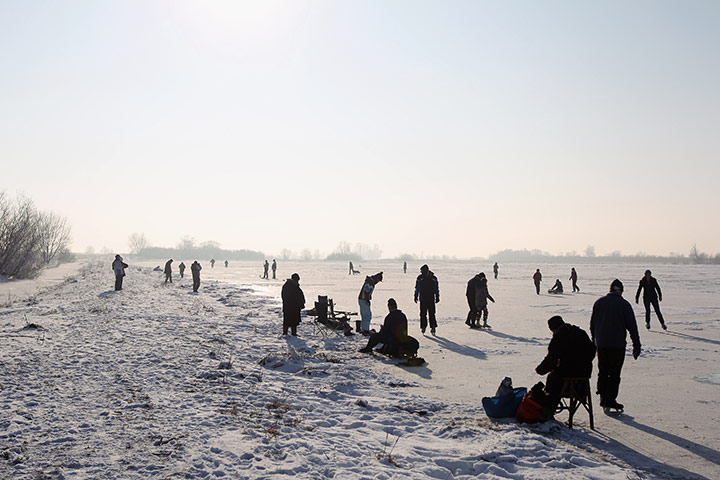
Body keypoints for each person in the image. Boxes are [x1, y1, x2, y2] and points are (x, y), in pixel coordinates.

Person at [590, 279, 642, 411]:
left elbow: (593, 324)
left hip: (602, 344)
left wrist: (594, 339)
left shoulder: (599, 302)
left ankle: (602, 396)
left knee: (603, 370)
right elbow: (632, 326)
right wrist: (636, 344)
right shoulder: (624, 305)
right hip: (617, 345)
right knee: (614, 373)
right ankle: (610, 399)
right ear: (621, 291)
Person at [535, 316, 596, 413]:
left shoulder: (559, 338)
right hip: (585, 372)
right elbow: (592, 350)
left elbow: (551, 359)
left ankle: (550, 408)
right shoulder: (580, 332)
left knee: (552, 378)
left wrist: (540, 369)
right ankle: (578, 395)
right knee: (557, 375)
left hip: (568, 372)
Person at [414, 264, 439, 335]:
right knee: (423, 314)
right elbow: (417, 288)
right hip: (423, 299)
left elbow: (436, 288)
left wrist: (437, 296)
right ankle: (423, 326)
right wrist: (415, 296)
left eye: (422, 270)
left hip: (431, 298)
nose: (421, 272)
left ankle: (433, 327)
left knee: (432, 314)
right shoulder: (420, 277)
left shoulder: (433, 278)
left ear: (426, 270)